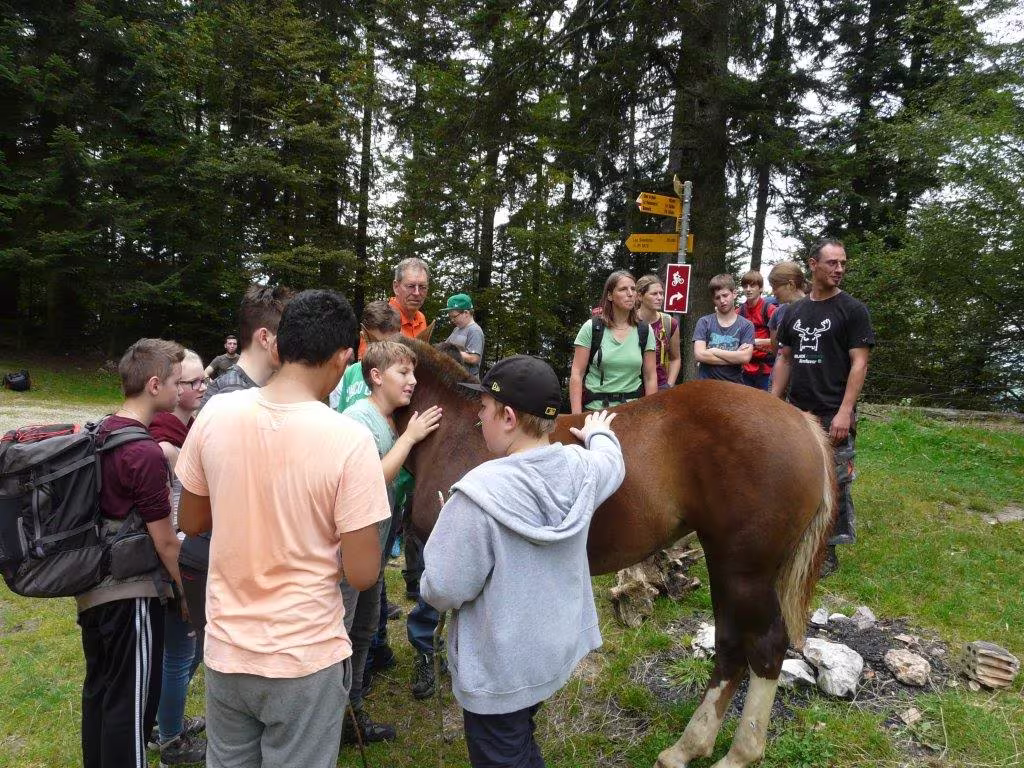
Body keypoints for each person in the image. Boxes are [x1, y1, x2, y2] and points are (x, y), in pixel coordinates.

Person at [176, 289, 391, 768]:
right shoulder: (350, 441)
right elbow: (362, 573)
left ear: (277, 346)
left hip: (227, 649)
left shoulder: (215, 413)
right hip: (305, 659)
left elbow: (190, 521)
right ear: (344, 358)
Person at [421, 355, 625, 768]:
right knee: (519, 739)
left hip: (500, 671)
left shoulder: (476, 494)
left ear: (508, 416)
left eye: (484, 410)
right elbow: (613, 465)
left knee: (502, 751)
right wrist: (601, 434)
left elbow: (443, 588)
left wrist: (450, 528)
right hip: (550, 652)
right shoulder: (583, 467)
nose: (480, 419)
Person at [75, 339, 185, 768]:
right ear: (155, 385)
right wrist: (186, 596)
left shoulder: (102, 430)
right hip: (130, 595)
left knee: (101, 691)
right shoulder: (142, 452)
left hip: (92, 588)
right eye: (177, 382)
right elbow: (166, 542)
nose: (181, 390)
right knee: (133, 702)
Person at [178, 284, 291, 677]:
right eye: (289, 336)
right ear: (266, 338)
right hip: (218, 562)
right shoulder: (229, 397)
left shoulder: (256, 392)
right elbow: (198, 499)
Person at [340, 341, 443, 744]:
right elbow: (368, 480)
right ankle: (330, 717)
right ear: (376, 376)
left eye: (414, 373)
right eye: (403, 373)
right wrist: (411, 439)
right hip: (348, 553)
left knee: (364, 629)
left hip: (375, 550)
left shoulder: (388, 419)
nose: (412, 381)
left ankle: (352, 712)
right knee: (343, 632)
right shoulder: (358, 419)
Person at [772, 239, 874, 577]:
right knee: (798, 477)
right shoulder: (794, 312)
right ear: (813, 265)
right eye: (832, 263)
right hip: (798, 411)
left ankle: (828, 552)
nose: (839, 269)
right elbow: (785, 357)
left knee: (836, 481)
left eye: (843, 263)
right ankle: (798, 542)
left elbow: (859, 364)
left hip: (834, 409)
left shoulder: (853, 310)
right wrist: (773, 402)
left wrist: (846, 411)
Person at [147, 349, 208, 765]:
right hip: (174, 562)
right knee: (180, 653)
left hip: (183, 556)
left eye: (204, 379)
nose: (203, 388)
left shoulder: (185, 434)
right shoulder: (167, 444)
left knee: (189, 650)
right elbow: (168, 518)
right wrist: (180, 577)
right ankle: (169, 737)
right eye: (193, 383)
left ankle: (163, 717)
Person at [569, 270, 657, 414]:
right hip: (595, 411)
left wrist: (650, 414)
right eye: (623, 289)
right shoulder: (592, 328)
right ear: (610, 295)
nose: (630, 293)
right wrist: (577, 416)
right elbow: (577, 373)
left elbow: (650, 376)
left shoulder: (645, 330)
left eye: (633, 289)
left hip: (633, 413)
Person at [329, 301, 402, 411]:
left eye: (390, 344)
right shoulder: (351, 373)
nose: (383, 351)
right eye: (376, 343)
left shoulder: (401, 376)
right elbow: (342, 413)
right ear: (364, 336)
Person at [692, 274, 755, 383]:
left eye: (725, 295)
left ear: (734, 294)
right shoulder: (704, 322)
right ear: (713, 300)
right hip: (706, 385)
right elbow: (699, 355)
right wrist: (735, 357)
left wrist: (713, 351)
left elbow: (745, 358)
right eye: (717, 297)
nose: (722, 300)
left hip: (734, 386)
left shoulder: (747, 325)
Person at [634, 275, 681, 389]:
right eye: (654, 294)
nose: (660, 297)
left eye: (661, 293)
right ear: (640, 296)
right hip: (632, 387)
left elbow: (675, 358)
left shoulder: (669, 323)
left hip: (660, 385)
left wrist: (669, 385)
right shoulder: (629, 321)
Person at [737, 270, 777, 391]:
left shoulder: (770, 310)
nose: (748, 289)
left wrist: (755, 341)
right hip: (744, 369)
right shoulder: (739, 312)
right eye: (745, 286)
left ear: (760, 288)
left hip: (766, 369)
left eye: (752, 285)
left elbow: (780, 340)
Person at [766, 261, 808, 352]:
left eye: (775, 287)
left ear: (791, 284)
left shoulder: (816, 308)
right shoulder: (777, 313)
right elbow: (777, 352)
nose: (773, 293)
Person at [443, 293, 485, 376]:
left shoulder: (474, 331)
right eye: (450, 317)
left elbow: (474, 358)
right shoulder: (457, 329)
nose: (452, 320)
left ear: (466, 313)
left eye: (454, 316)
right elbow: (445, 346)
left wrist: (451, 352)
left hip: (467, 382)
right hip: (454, 378)